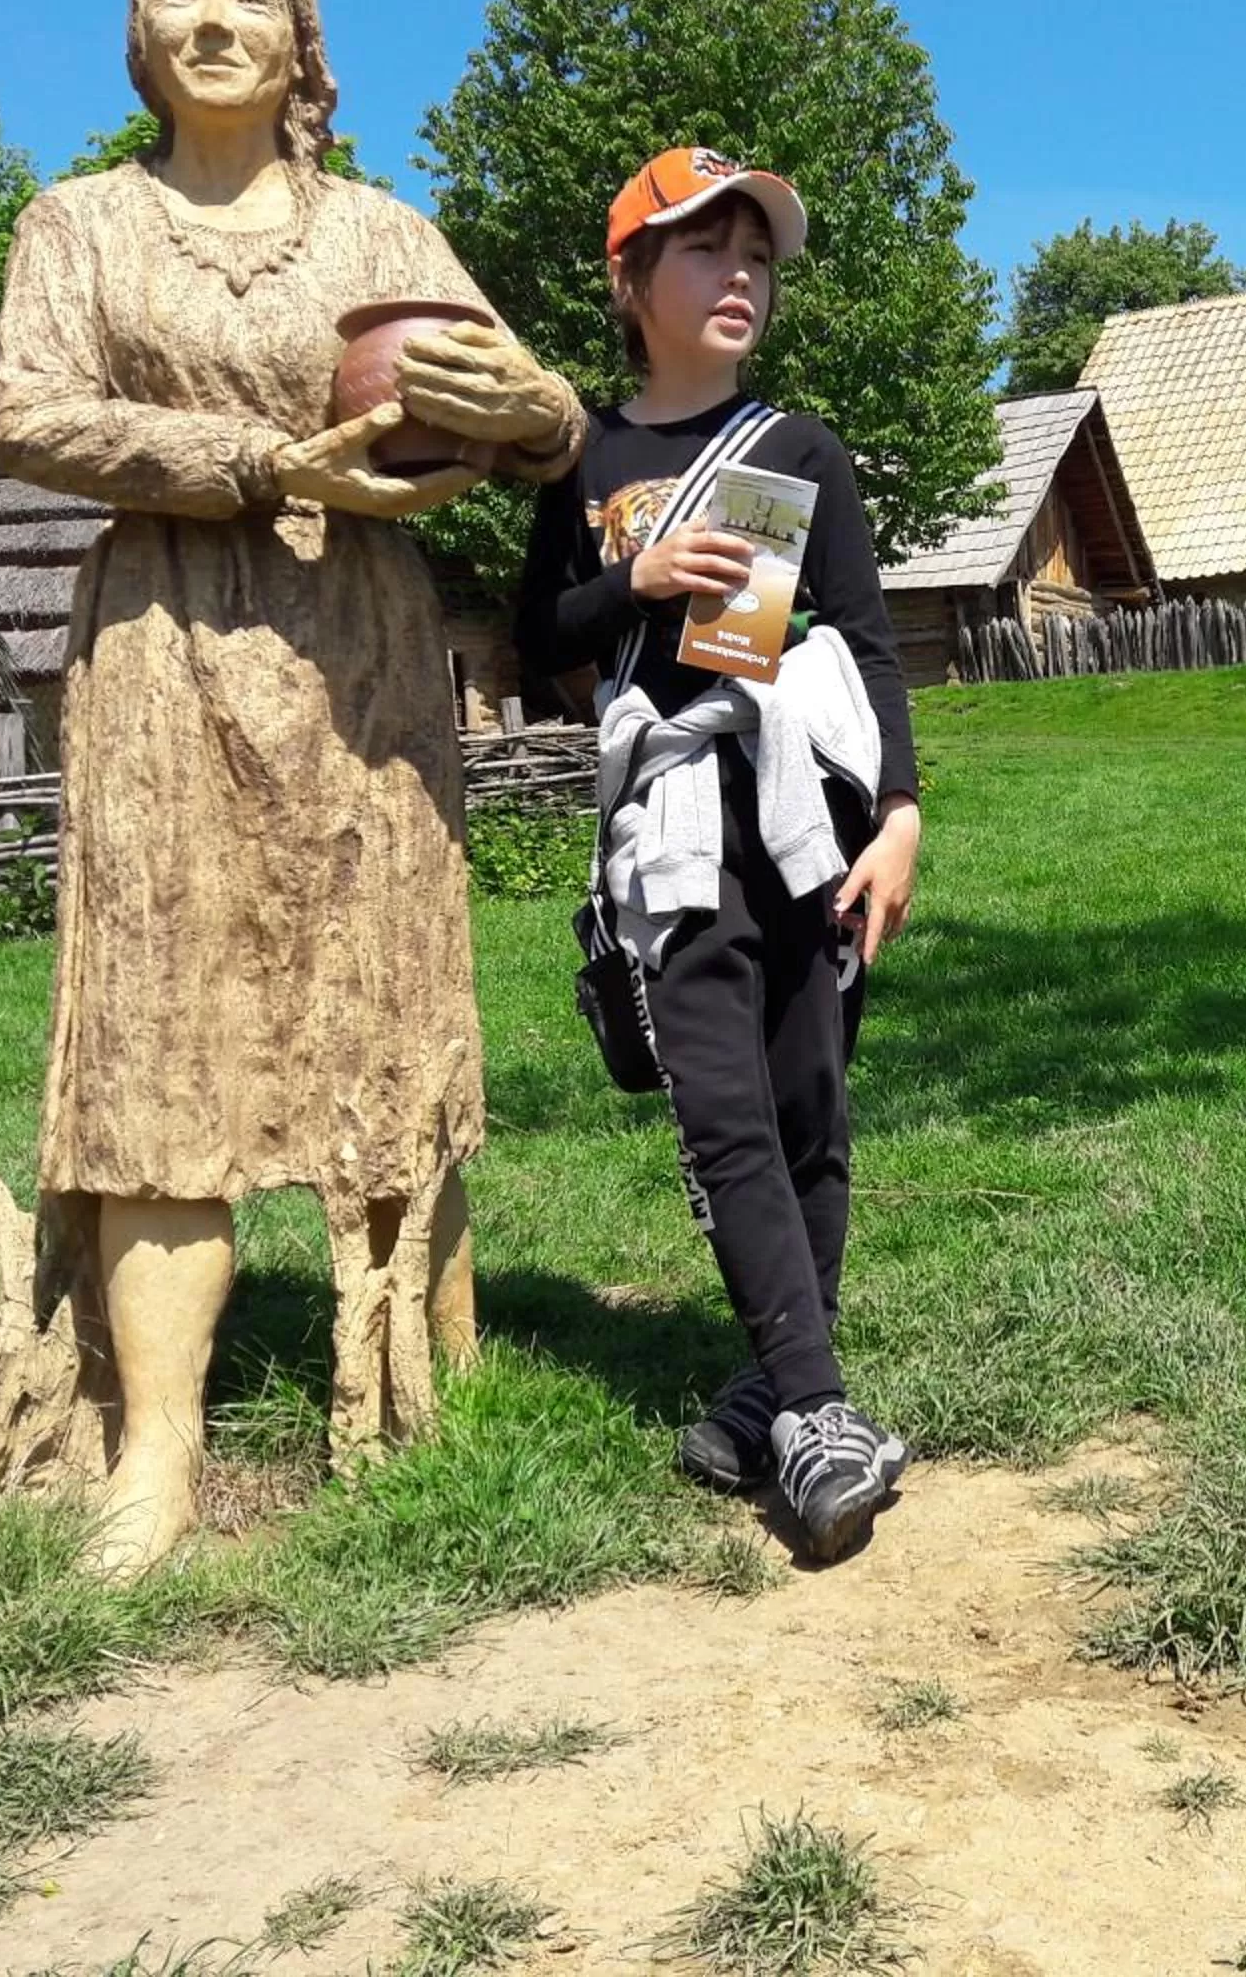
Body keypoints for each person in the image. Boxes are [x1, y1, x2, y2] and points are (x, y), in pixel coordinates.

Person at [0, 0, 583, 1576]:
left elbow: (539, 413)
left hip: (364, 663)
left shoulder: (381, 233)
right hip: (169, 653)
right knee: (158, 1032)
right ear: (138, 31)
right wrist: (260, 466)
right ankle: (157, 1453)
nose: (213, 15)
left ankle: (416, 1389)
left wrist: (527, 413)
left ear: (299, 30)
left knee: (390, 1003)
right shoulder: (80, 223)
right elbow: (27, 416)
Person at [512, 147, 924, 1563]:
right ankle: (815, 1403)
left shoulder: (797, 449)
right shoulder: (587, 459)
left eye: (757, 255)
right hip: (669, 832)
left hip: (802, 817)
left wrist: (905, 818)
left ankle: (765, 1385)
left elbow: (866, 643)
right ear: (631, 282)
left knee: (811, 1105)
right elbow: (532, 639)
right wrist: (632, 579)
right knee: (723, 1111)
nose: (741, 274)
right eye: (705, 250)